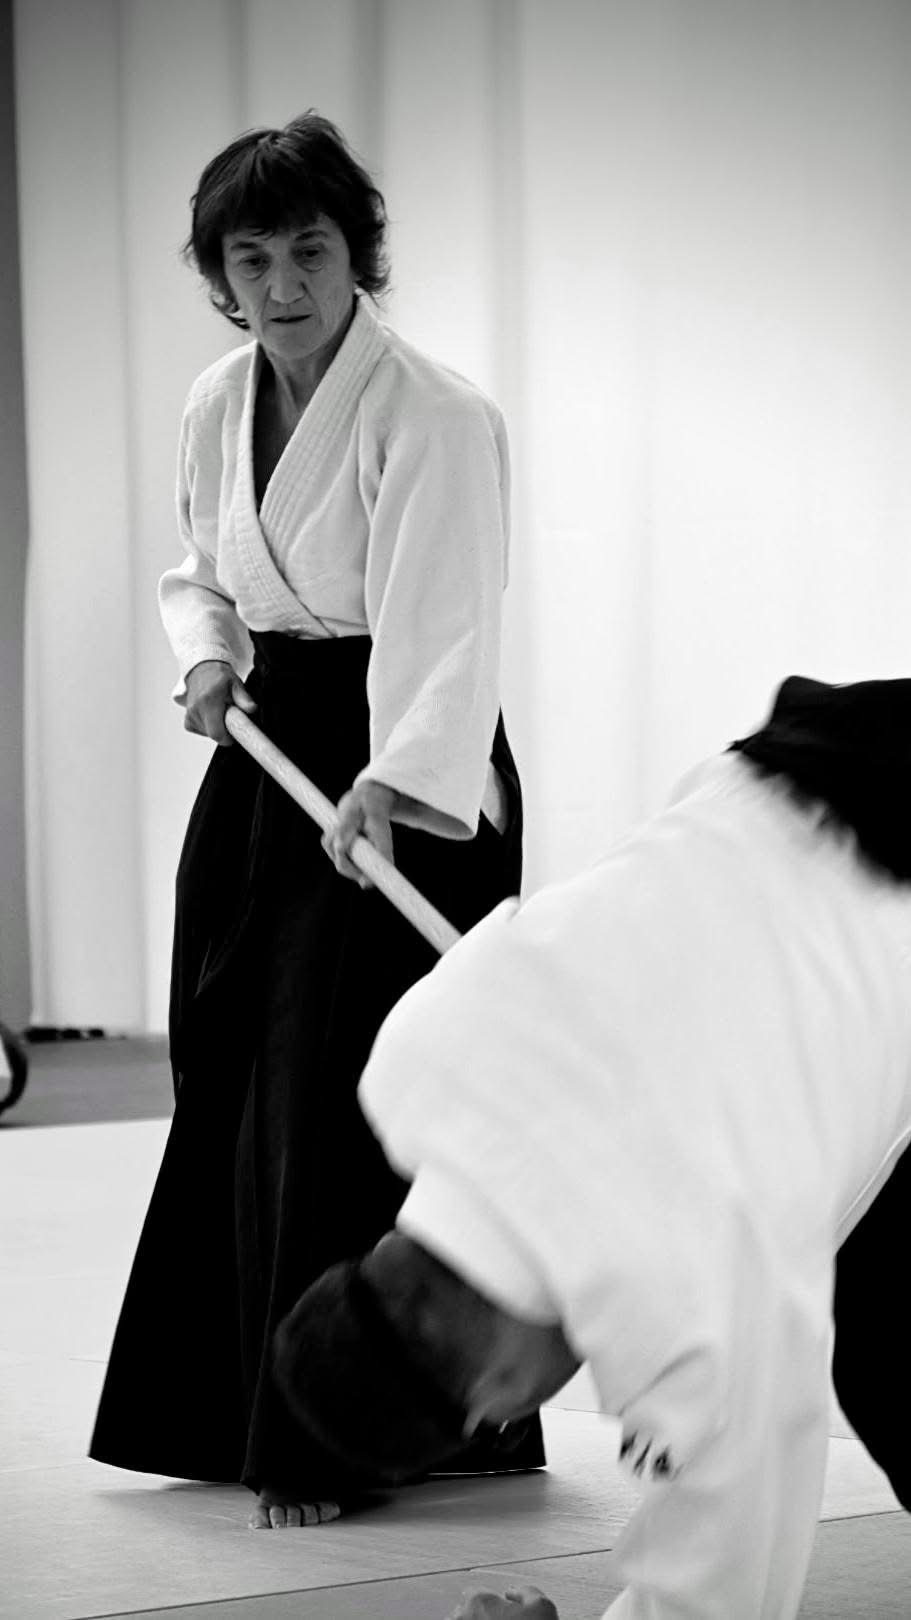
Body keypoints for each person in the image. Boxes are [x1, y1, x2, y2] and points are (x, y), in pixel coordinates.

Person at [89, 110, 543, 1529]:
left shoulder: (433, 415)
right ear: (218, 275)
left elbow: (447, 632)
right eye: (251, 258)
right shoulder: (217, 401)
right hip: (271, 751)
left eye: (309, 250)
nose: (282, 285)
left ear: (358, 255)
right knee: (225, 1059)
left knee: (333, 1097)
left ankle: (338, 1434)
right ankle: (225, 1405)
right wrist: (208, 655)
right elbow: (200, 569)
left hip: (400, 770)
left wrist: (391, 784)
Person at [274, 674, 911, 1617]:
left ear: (495, 1396)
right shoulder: (410, 1058)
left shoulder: (686, 1301)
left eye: (503, 1414)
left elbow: (721, 1587)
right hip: (818, 753)